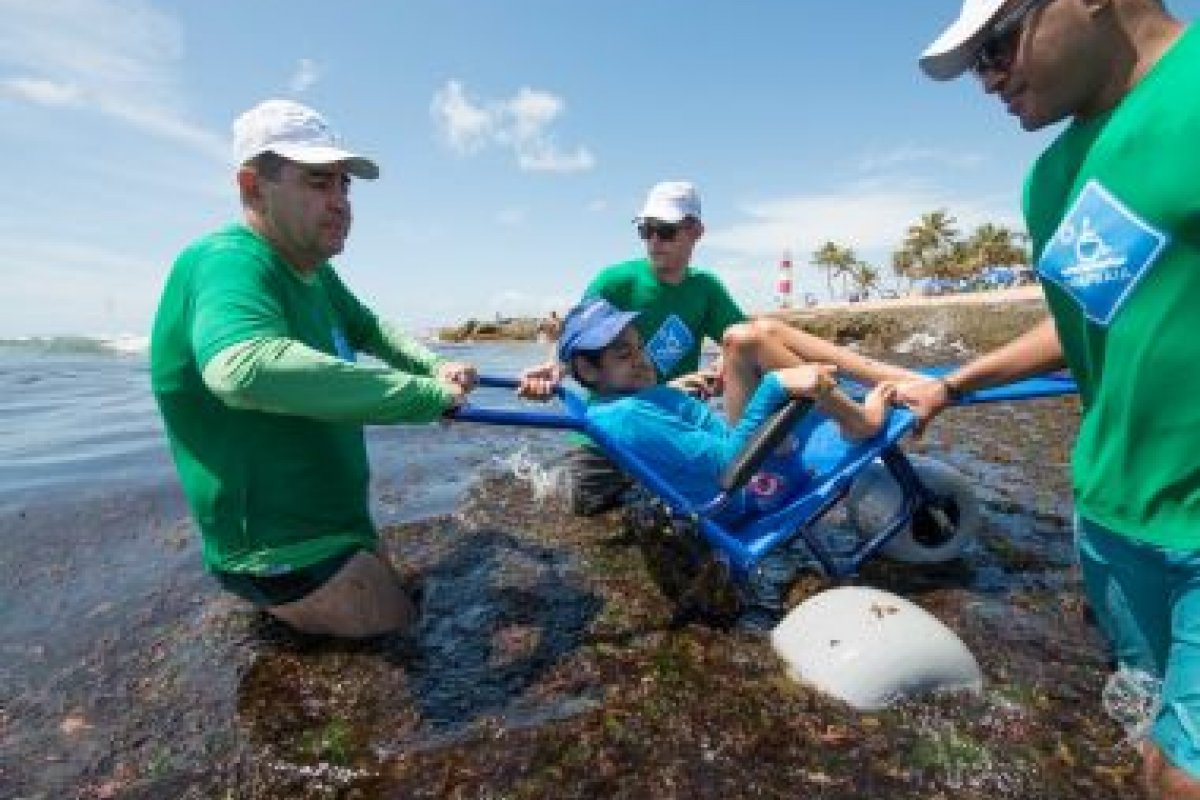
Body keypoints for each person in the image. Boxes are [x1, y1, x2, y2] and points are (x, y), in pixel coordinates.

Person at [911, 2, 1200, 796]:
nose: (988, 80)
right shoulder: (1049, 182)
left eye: (998, 47)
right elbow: (1086, 315)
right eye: (977, 63)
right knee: (1147, 736)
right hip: (1110, 515)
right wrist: (952, 382)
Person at [150, 99, 477, 639]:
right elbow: (242, 367)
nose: (341, 202)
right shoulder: (228, 260)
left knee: (416, 608)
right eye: (319, 182)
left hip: (336, 528)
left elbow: (370, 328)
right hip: (283, 552)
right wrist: (423, 395)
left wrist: (435, 364)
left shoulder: (314, 272)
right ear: (253, 187)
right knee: (411, 639)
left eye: (345, 186)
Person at [555, 298, 898, 514]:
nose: (641, 360)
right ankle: (861, 422)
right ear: (587, 370)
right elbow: (725, 470)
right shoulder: (627, 417)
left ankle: (875, 383)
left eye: (640, 347)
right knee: (744, 340)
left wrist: (687, 390)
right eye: (624, 355)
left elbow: (661, 420)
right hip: (749, 493)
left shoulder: (619, 403)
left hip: (746, 472)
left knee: (757, 332)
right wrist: (774, 386)